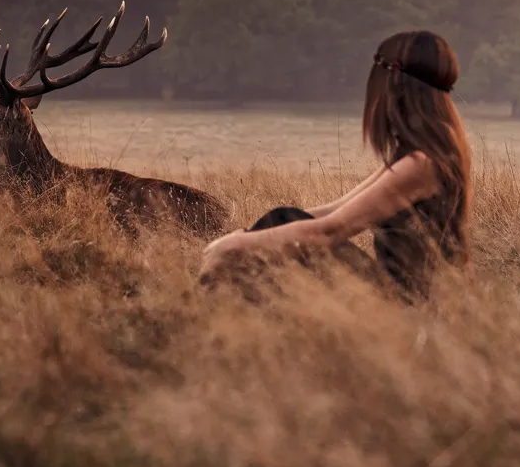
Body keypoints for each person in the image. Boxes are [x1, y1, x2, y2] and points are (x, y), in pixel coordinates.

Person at [198, 30, 472, 300]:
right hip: (391, 294)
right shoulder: (415, 155)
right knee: (284, 218)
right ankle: (223, 306)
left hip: (401, 305)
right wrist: (248, 238)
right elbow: (334, 210)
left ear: (396, 85)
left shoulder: (419, 165)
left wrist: (235, 245)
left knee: (281, 229)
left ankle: (216, 308)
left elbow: (331, 231)